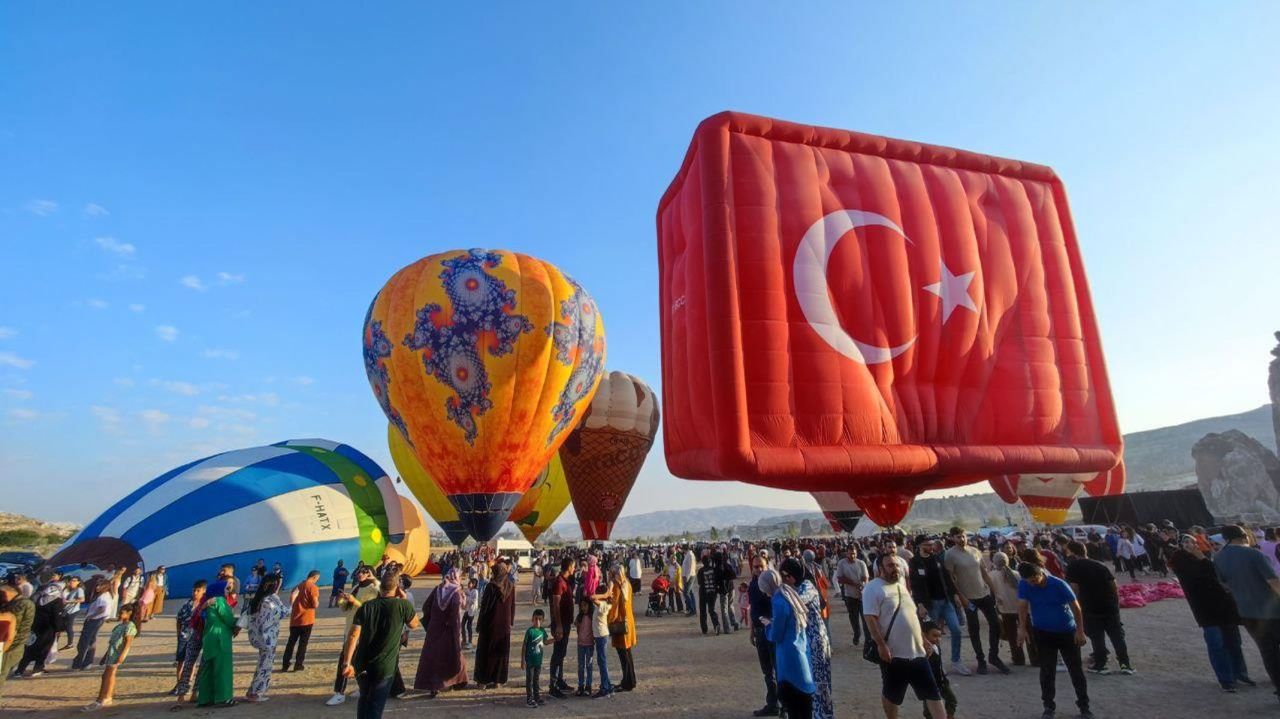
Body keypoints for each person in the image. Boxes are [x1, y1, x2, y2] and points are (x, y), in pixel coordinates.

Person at [864, 554, 946, 719]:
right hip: (895, 655)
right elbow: (870, 619)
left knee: (933, 694)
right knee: (891, 696)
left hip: (918, 654)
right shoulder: (873, 588)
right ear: (880, 569)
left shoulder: (901, 587)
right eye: (890, 565)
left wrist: (924, 640)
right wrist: (881, 645)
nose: (895, 568)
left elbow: (912, 617)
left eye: (896, 565)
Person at [1169, 533, 1254, 691]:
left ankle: (1240, 673)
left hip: (1223, 605)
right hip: (1204, 606)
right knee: (1217, 643)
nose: (1190, 545)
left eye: (1192, 542)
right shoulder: (1179, 560)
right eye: (1186, 542)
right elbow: (1197, 576)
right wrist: (1202, 559)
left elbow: (1217, 575)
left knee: (1234, 642)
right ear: (1181, 545)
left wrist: (1203, 558)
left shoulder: (1205, 558)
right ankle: (1226, 679)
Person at [1017, 562, 1093, 719]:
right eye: (1029, 581)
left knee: (1075, 670)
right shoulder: (1024, 584)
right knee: (1047, 671)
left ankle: (1084, 706)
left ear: (1040, 573)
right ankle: (1048, 706)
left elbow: (1076, 608)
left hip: (1067, 632)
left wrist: (1080, 631)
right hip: (1043, 633)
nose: (1033, 584)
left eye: (1034, 580)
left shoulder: (1058, 584)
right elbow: (1022, 606)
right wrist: (1022, 628)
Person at [341, 570, 420, 719]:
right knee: (375, 706)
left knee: (364, 698)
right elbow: (414, 624)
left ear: (380, 587)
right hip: (384, 667)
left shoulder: (366, 607)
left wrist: (347, 663)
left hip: (362, 664)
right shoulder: (402, 606)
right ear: (397, 588)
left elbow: (353, 635)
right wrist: (404, 599)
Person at [1214, 524, 1280, 700]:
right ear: (1244, 535)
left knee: (1269, 653)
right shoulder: (1254, 554)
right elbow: (1273, 582)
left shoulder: (1219, 558)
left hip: (1247, 612)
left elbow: (1224, 584)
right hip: (1273, 611)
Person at [944, 528, 1008, 675]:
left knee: (996, 624)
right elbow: (951, 578)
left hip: (984, 593)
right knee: (974, 630)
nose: (962, 539)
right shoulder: (950, 555)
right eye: (958, 537)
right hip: (968, 597)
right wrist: (960, 597)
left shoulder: (975, 551)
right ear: (953, 538)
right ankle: (981, 660)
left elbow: (984, 573)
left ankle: (994, 656)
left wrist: (995, 591)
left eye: (963, 536)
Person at [1063, 540, 1131, 675]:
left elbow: (1074, 588)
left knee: (1097, 637)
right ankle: (1125, 664)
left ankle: (1101, 664)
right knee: (1117, 636)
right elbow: (1113, 585)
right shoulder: (1100, 565)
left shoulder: (1073, 567)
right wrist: (1115, 603)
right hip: (1109, 606)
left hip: (1090, 607)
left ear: (1071, 552)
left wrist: (1074, 606)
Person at [759, 567, 815, 719]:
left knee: (795, 708)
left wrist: (768, 626)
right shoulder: (788, 593)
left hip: (789, 657)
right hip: (800, 652)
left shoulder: (778, 600)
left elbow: (777, 634)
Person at [783, 557, 832, 719]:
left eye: (787, 576)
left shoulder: (807, 587)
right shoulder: (797, 587)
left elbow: (797, 603)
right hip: (806, 641)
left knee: (819, 683)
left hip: (816, 640)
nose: (785, 580)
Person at [910, 538, 965, 676]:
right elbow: (915, 585)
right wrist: (920, 604)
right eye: (927, 545)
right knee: (932, 636)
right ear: (920, 546)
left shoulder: (937, 559)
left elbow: (947, 578)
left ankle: (956, 661)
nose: (930, 547)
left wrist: (955, 595)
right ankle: (937, 663)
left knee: (956, 630)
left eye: (931, 544)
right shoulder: (915, 562)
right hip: (930, 604)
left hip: (945, 601)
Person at [327, 565, 380, 706]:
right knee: (357, 661)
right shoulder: (356, 587)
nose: (360, 574)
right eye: (359, 571)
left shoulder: (373, 589)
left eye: (364, 572)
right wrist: (342, 600)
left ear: (370, 574)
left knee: (345, 660)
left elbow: (369, 610)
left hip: (361, 631)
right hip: (350, 628)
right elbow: (345, 609)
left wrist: (354, 601)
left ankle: (339, 692)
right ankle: (363, 688)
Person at [414, 567, 467, 696]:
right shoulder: (456, 593)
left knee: (433, 657)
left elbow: (426, 606)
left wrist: (431, 621)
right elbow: (455, 616)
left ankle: (433, 687)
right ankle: (456, 682)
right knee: (453, 655)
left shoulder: (438, 589)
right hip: (448, 630)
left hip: (434, 629)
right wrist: (457, 633)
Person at [82, 602, 139, 711]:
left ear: (129, 613)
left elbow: (128, 643)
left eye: (122, 613)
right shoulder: (120, 625)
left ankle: (105, 697)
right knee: (106, 675)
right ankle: (104, 697)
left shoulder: (130, 626)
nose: (119, 614)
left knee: (109, 675)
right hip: (112, 652)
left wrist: (122, 656)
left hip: (117, 653)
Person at [473, 560, 517, 688]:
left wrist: (479, 624)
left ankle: (483, 681)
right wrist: (510, 621)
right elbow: (512, 606)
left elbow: (485, 608)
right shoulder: (510, 586)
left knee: (485, 651)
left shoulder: (491, 587)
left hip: (490, 625)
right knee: (500, 652)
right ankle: (498, 680)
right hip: (504, 626)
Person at [195, 580, 239, 707]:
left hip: (209, 639)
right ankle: (224, 698)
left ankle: (205, 699)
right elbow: (228, 619)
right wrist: (239, 623)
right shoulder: (220, 601)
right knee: (222, 669)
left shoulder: (208, 603)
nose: (227, 591)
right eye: (226, 588)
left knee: (208, 670)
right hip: (220, 639)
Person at [246, 575, 288, 702]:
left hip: (259, 637)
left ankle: (253, 691)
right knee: (265, 666)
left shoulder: (258, 599)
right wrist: (293, 601)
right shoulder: (269, 601)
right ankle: (256, 692)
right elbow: (282, 612)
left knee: (262, 663)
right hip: (268, 638)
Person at [989, 551, 1035, 666]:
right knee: (1029, 634)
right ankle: (1035, 658)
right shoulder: (1017, 574)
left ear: (994, 562)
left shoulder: (992, 575)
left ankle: (1018, 659)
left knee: (1012, 636)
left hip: (1005, 609)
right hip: (1022, 609)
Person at [747, 554, 779, 717]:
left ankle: (784, 706)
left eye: (761, 566)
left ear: (767, 567)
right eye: (756, 566)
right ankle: (772, 704)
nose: (759, 569)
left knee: (778, 669)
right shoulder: (753, 584)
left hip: (772, 632)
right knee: (767, 672)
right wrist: (752, 630)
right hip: (759, 632)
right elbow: (753, 608)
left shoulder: (773, 585)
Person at [15, 576, 65, 677]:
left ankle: (20, 670)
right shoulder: (57, 601)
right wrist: (59, 628)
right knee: (44, 649)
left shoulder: (38, 598)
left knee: (29, 647)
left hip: (35, 627)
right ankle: (37, 669)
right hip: (48, 629)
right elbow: (57, 616)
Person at [603, 564, 637, 691]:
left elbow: (614, 608)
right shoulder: (627, 584)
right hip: (628, 622)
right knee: (627, 653)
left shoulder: (617, 587)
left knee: (623, 655)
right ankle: (630, 680)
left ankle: (627, 682)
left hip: (620, 624)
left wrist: (608, 622)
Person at [547, 556, 575, 697]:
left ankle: (559, 680)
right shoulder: (559, 582)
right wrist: (558, 625)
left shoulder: (565, 581)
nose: (574, 569)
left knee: (562, 652)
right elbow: (556, 605)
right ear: (569, 567)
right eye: (573, 566)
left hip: (565, 622)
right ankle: (553, 686)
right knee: (558, 653)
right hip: (561, 623)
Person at [0, 583, 34, 699]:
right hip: (7, 644)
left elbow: (21, 628)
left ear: (9, 592)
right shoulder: (12, 604)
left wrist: (5, 648)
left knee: (2, 673)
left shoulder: (24, 604)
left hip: (12, 646)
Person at [282, 570, 320, 672]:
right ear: (315, 577)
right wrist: (316, 603)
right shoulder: (313, 587)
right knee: (303, 643)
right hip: (307, 619)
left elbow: (291, 600)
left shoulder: (297, 586)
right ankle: (298, 664)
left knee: (291, 642)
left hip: (295, 619)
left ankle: (285, 664)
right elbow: (315, 604)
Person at [171, 580, 205, 687]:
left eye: (198, 591)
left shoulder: (205, 606)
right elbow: (179, 619)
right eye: (194, 590)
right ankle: (179, 683)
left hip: (196, 637)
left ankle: (188, 682)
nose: (195, 593)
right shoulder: (186, 605)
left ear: (204, 591)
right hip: (184, 636)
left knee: (191, 661)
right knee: (181, 660)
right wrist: (179, 634)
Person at [921, 621, 958, 719]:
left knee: (951, 700)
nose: (938, 639)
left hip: (941, 682)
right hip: (929, 685)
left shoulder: (937, 647)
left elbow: (939, 666)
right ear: (925, 635)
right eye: (934, 636)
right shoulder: (923, 651)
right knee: (929, 710)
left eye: (939, 636)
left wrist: (943, 678)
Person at [835, 544, 869, 646]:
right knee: (854, 618)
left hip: (862, 595)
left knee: (866, 619)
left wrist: (863, 585)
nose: (852, 556)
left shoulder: (861, 563)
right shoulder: (842, 563)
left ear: (856, 553)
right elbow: (840, 578)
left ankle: (868, 640)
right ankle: (857, 634)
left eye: (854, 554)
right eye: (850, 554)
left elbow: (865, 577)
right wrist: (854, 584)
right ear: (847, 553)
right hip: (850, 595)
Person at [521, 609, 552, 707]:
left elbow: (545, 642)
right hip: (530, 661)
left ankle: (537, 697)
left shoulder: (542, 631)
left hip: (538, 661)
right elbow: (524, 646)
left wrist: (555, 639)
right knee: (529, 680)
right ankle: (529, 699)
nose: (537, 621)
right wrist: (522, 660)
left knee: (536, 679)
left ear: (543, 620)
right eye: (536, 619)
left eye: (540, 619)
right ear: (532, 619)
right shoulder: (530, 631)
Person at [589, 589, 614, 698]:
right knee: (602, 662)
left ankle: (605, 688)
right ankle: (608, 685)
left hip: (601, 636)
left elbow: (592, 597)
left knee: (602, 662)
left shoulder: (603, 605)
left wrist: (605, 594)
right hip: (600, 635)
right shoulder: (603, 604)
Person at [574, 597, 596, 695]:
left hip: (589, 645)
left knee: (589, 665)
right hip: (581, 644)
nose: (583, 608)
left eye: (585, 605)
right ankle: (580, 686)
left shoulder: (592, 617)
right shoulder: (579, 617)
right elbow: (577, 626)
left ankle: (588, 686)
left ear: (589, 606)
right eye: (581, 606)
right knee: (581, 666)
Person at [697, 549, 721, 634]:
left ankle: (704, 629)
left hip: (703, 593)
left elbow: (699, 582)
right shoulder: (713, 570)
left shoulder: (701, 571)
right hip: (712, 592)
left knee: (703, 611)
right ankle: (716, 624)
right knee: (711, 610)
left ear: (702, 562)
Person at [60, 576, 85, 650]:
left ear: (78, 582)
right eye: (71, 580)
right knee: (63, 626)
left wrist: (68, 601)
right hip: (66, 610)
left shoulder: (79, 589)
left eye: (74, 581)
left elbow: (82, 599)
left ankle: (70, 644)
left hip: (73, 610)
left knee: (69, 627)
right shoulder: (71, 589)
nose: (72, 582)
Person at [462, 578, 479, 649]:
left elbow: (473, 601)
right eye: (469, 583)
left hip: (472, 611)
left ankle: (470, 642)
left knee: (469, 626)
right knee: (462, 624)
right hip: (467, 610)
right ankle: (464, 640)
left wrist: (466, 597)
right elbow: (463, 594)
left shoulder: (475, 591)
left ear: (474, 584)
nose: (469, 584)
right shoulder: (468, 590)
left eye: (470, 583)